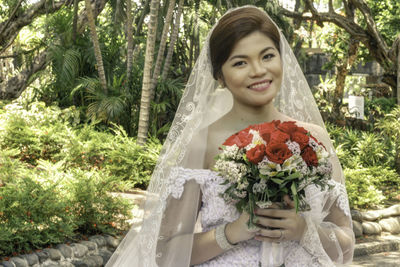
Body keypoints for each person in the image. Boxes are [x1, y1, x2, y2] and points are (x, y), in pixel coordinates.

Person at [106, 5, 355, 267]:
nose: (258, 70)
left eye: (267, 56)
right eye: (240, 62)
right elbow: (165, 251)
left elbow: (346, 244)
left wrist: (305, 231)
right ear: (219, 76)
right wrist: (230, 233)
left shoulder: (313, 139)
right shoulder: (203, 143)